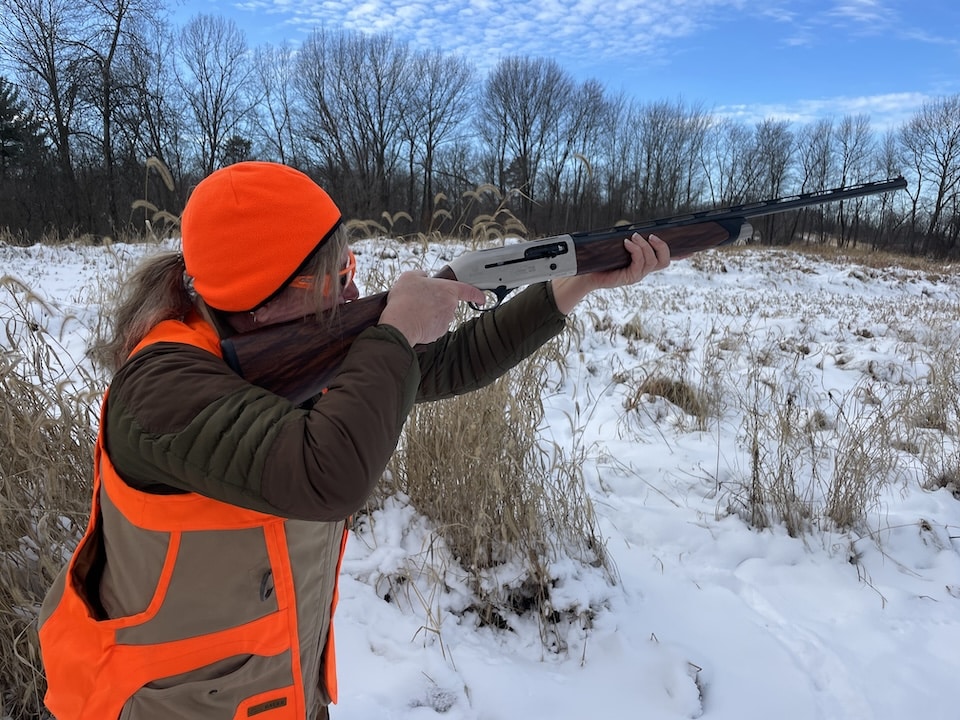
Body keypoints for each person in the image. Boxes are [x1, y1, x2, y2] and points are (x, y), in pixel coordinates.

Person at [37, 161, 670, 719]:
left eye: (351, 270)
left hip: (283, 694)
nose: (353, 295)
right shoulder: (162, 388)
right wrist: (392, 332)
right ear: (260, 298)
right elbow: (328, 474)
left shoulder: (281, 345)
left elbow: (446, 362)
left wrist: (573, 284)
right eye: (334, 279)